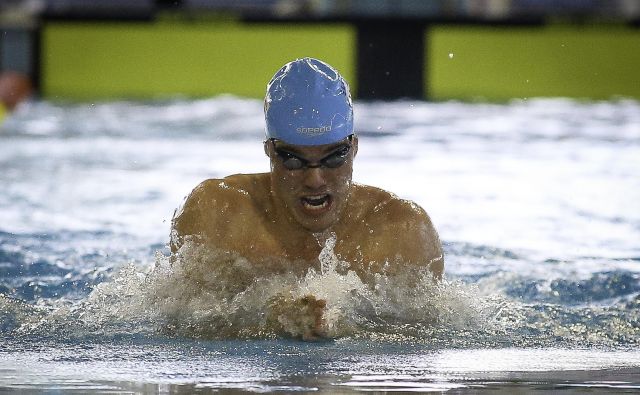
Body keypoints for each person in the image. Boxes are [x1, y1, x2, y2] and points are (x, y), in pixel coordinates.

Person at [170, 58, 443, 340]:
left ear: (354, 148)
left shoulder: (403, 231)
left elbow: (426, 341)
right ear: (270, 152)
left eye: (334, 157)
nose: (315, 179)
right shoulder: (218, 212)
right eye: (293, 159)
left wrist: (343, 327)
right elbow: (177, 325)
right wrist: (269, 318)